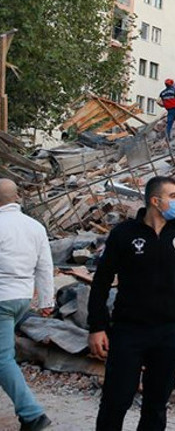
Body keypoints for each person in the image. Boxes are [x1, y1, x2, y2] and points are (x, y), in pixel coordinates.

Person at [88, 176, 175, 431]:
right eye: (173, 196)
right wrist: (97, 327)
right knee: (116, 400)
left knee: (156, 403)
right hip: (129, 329)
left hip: (171, 330)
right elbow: (101, 282)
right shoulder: (124, 234)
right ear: (155, 200)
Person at [0, 179, 54, 431]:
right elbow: (45, 265)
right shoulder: (35, 226)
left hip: (1, 298)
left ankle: (32, 414)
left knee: (2, 359)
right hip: (21, 298)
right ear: (17, 197)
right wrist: (46, 301)